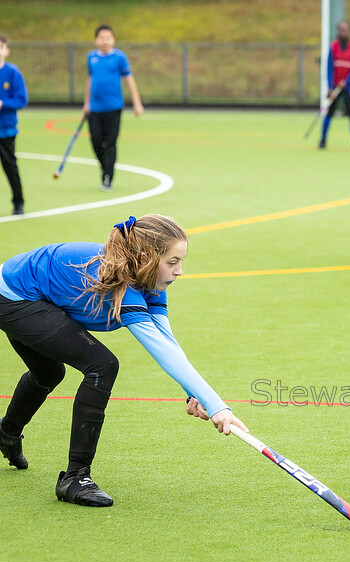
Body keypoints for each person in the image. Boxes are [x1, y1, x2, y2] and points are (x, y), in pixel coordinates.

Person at [0, 214, 248, 506]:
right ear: (146, 257)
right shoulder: (122, 285)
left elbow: (168, 344)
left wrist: (195, 394)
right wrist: (218, 405)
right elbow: (159, 350)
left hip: (30, 292)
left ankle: (6, 433)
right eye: (172, 262)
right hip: (14, 297)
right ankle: (74, 478)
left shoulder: (148, 282)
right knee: (102, 366)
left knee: (48, 372)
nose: (180, 271)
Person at [83, 25, 143, 192]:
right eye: (101, 38)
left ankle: (108, 176)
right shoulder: (91, 58)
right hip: (95, 108)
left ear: (113, 40)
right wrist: (86, 103)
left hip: (114, 108)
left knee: (110, 143)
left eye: (108, 38)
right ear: (96, 40)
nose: (105, 41)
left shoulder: (119, 57)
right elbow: (90, 80)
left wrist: (137, 103)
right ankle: (105, 167)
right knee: (95, 141)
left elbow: (129, 80)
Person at [320, 20, 350, 150]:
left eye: (345, 30)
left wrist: (348, 81)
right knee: (329, 112)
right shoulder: (333, 47)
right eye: (340, 29)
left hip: (349, 87)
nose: (342, 32)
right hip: (335, 87)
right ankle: (323, 140)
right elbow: (329, 68)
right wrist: (329, 87)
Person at [0, 33, 28, 216]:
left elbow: (21, 99)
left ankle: (18, 202)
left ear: (6, 50)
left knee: (10, 166)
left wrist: (3, 104)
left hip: (6, 130)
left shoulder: (12, 72)